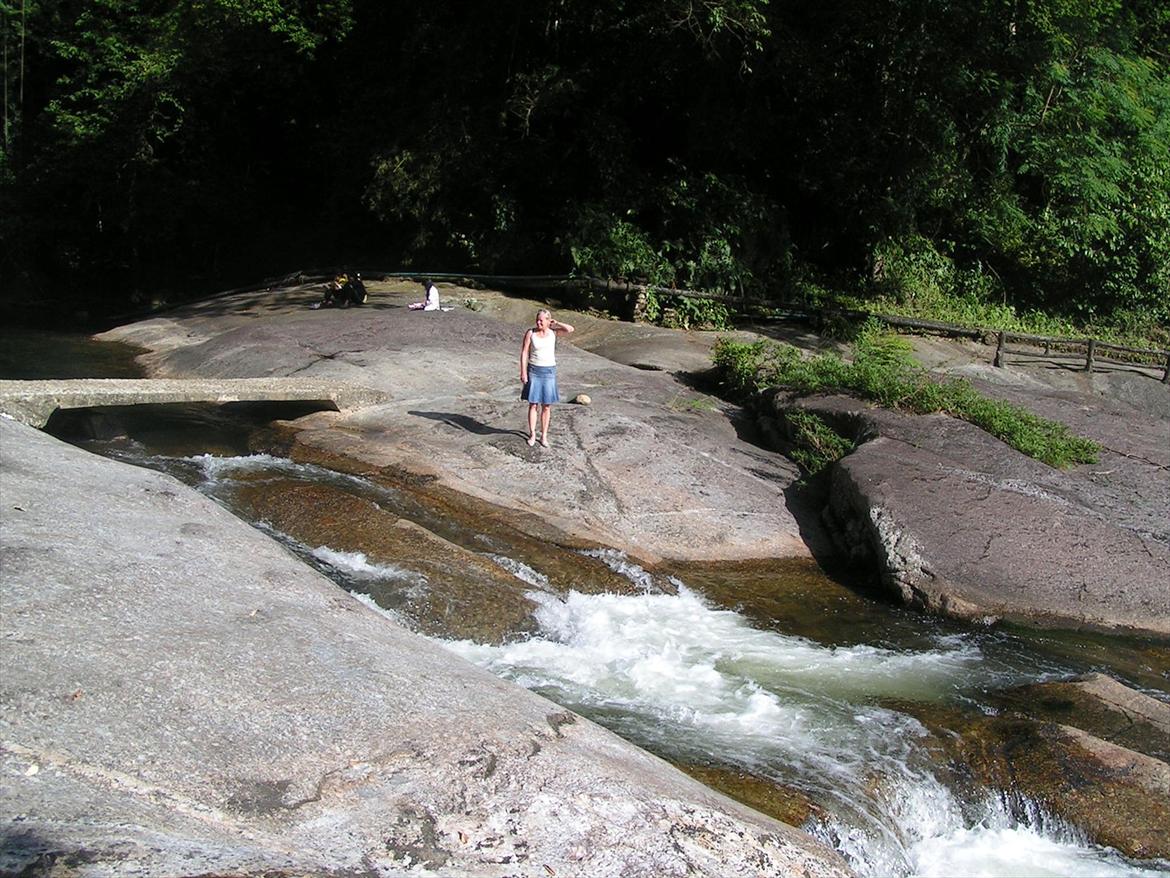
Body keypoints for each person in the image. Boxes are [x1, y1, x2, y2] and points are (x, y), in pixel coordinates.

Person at [519, 308, 574, 447]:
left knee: (546, 406)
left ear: (548, 321)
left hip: (549, 371)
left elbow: (570, 329)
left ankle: (544, 436)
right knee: (533, 404)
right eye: (537, 320)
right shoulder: (531, 333)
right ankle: (532, 434)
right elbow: (524, 352)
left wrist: (557, 323)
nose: (538, 322)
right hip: (534, 370)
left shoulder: (553, 333)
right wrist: (523, 372)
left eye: (541, 320)